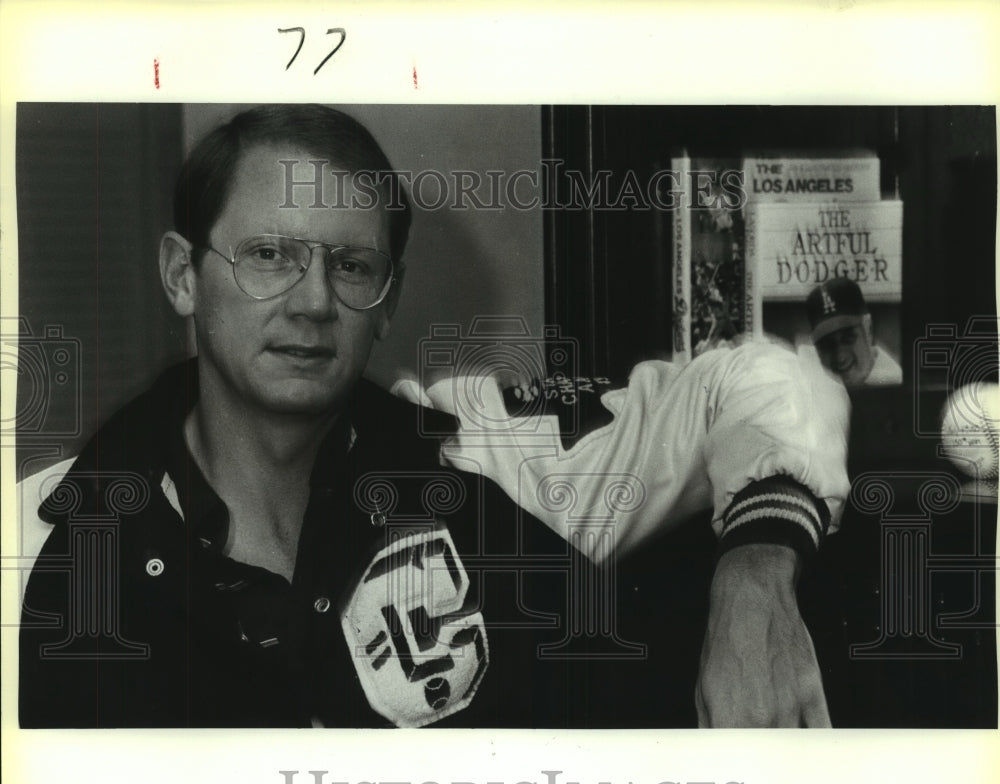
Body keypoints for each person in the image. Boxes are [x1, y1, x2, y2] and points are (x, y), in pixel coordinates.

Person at [19, 104, 848, 729]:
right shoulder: (46, 546)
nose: (312, 302)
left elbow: (767, 380)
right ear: (181, 276)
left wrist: (756, 579)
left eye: (351, 266)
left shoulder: (473, 453)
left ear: (387, 301)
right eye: (269, 254)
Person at [806, 277, 903, 388]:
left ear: (868, 329)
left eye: (847, 339)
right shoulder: (820, 390)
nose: (840, 357)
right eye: (827, 345)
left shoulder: (894, 385)